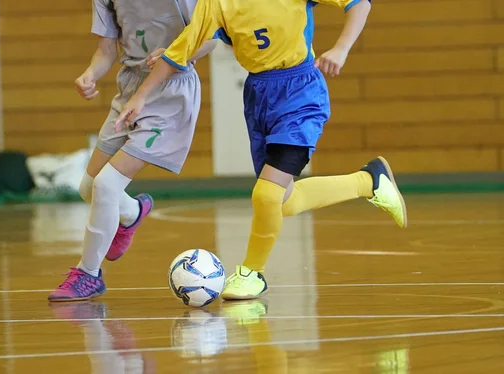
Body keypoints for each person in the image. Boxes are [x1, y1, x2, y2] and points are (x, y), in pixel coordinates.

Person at [115, 0, 408, 301]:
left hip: (300, 93)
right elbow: (190, 47)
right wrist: (141, 95)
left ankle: (251, 273)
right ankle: (369, 181)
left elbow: (359, 4)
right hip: (259, 96)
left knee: (266, 194)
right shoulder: (216, 3)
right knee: (283, 201)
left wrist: (341, 49)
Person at [48, 0, 217, 302]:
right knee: (89, 188)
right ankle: (133, 213)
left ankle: (88, 274)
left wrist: (178, 52)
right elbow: (106, 50)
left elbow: (211, 38)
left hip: (172, 90)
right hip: (129, 88)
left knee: (107, 185)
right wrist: (90, 74)